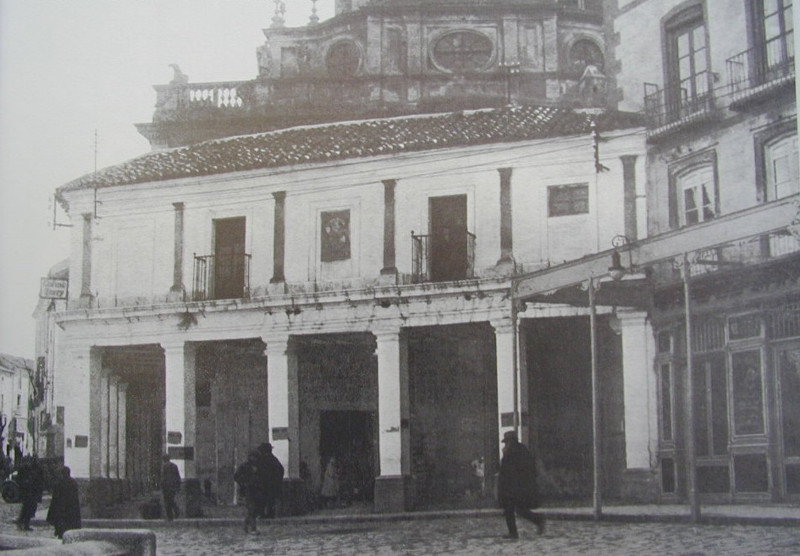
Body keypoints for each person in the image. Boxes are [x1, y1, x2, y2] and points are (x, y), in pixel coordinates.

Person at [497, 431, 545, 539]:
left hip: (515, 487)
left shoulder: (512, 452)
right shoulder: (521, 450)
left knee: (513, 509)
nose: (506, 444)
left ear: (511, 441)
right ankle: (536, 521)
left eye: (507, 442)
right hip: (517, 487)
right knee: (516, 509)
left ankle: (517, 531)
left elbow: (507, 471)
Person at [46, 466, 81, 538]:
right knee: (69, 526)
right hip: (71, 510)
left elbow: (54, 500)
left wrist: (51, 515)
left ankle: (60, 535)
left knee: (61, 528)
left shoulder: (59, 483)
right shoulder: (73, 483)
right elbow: (75, 499)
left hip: (60, 510)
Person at [234, 451, 262, 533]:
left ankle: (246, 524)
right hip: (248, 490)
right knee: (251, 509)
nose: (255, 459)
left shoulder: (259, 466)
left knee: (255, 510)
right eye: (253, 457)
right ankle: (253, 528)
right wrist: (244, 483)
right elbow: (236, 476)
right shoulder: (245, 466)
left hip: (257, 490)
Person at [15, 456, 44, 531]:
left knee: (28, 508)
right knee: (28, 508)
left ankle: (22, 521)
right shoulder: (25, 469)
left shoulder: (35, 469)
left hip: (31, 493)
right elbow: (19, 480)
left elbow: (40, 481)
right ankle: (25, 524)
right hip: (28, 492)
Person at [256, 442, 284, 519]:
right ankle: (268, 514)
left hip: (268, 484)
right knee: (268, 500)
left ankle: (265, 514)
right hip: (269, 484)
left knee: (266, 499)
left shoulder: (266, 459)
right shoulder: (272, 459)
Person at [160, 454, 182, 521]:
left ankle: (170, 516)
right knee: (171, 499)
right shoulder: (175, 466)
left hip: (166, 486)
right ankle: (175, 511)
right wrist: (178, 486)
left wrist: (162, 485)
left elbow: (163, 477)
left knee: (167, 501)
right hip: (173, 486)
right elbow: (178, 476)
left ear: (164, 460)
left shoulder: (164, 466)